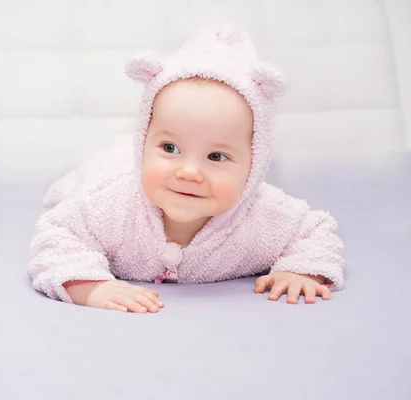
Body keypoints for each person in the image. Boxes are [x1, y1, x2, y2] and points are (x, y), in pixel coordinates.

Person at [28, 24, 344, 313]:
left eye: (217, 156)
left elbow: (315, 232)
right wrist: (91, 287)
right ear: (145, 142)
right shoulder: (110, 204)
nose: (189, 172)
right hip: (114, 166)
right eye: (169, 148)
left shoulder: (263, 216)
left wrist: (301, 270)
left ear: (254, 164)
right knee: (80, 185)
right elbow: (58, 234)